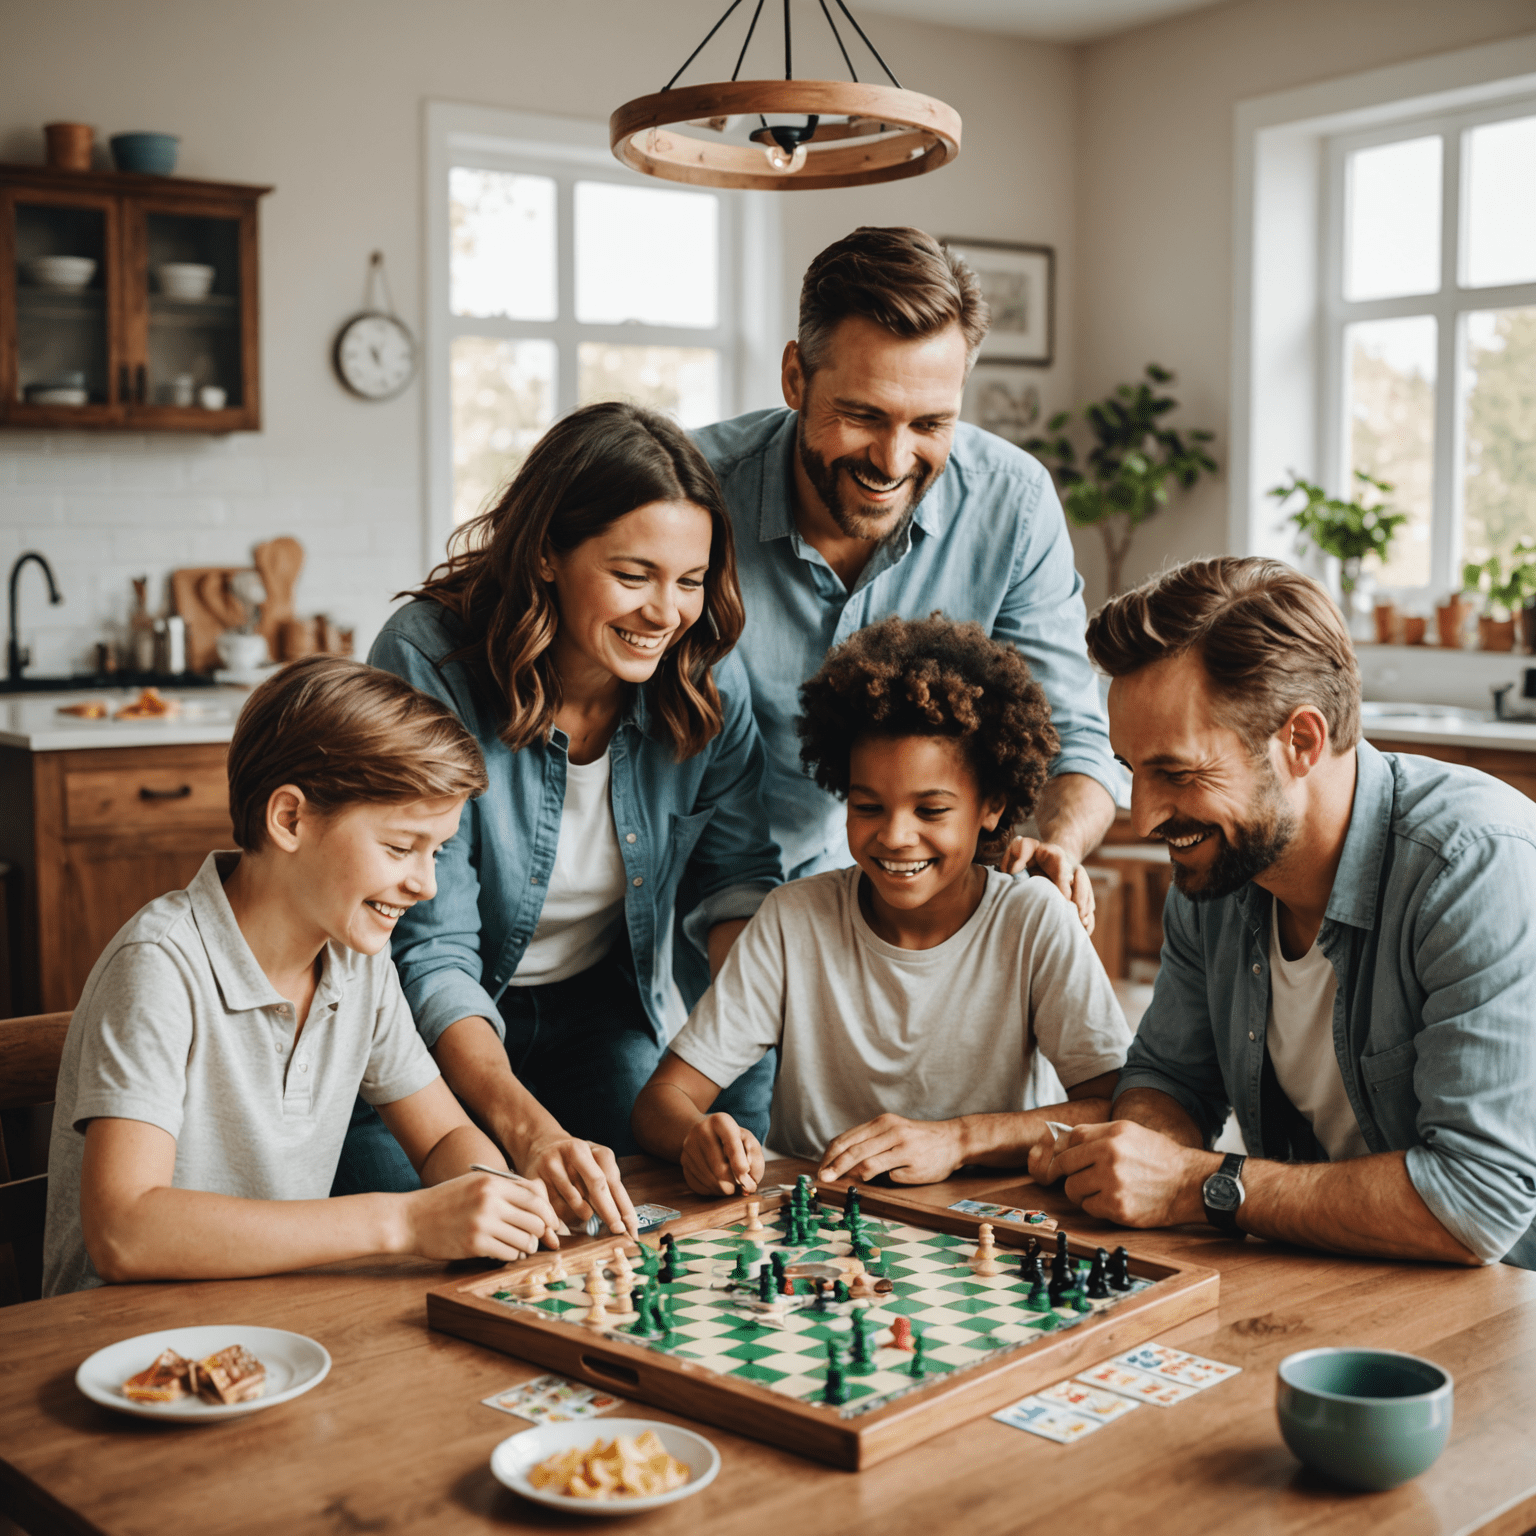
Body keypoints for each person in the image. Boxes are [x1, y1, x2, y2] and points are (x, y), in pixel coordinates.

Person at [337, 402, 783, 1237]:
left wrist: (716, 1097)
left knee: (651, 1228)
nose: (666, 613)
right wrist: (526, 1130)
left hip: (594, 1018)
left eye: (689, 581)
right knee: (452, 1249)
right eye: (632, 574)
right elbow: (431, 950)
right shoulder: (430, 658)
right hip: (416, 1040)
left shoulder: (708, 679)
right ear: (546, 550)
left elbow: (736, 888)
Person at [1031, 557, 1536, 1269]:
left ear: (1300, 741)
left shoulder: (1474, 866)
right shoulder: (1218, 871)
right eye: (1130, 770)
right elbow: (1169, 1080)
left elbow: (1477, 1202)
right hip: (1331, 1276)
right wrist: (1140, 1149)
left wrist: (1195, 1185)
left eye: (1176, 773)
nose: (1143, 817)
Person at [42, 656, 563, 1297]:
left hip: (269, 1323)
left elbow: (443, 1138)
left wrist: (497, 1199)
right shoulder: (160, 964)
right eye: (400, 848)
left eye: (438, 851)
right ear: (289, 818)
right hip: (123, 1350)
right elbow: (124, 1232)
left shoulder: (358, 962)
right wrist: (400, 1219)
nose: (425, 885)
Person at [694, 226, 1119, 931]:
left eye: (930, 423)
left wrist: (1060, 842)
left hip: (930, 927)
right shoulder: (691, 492)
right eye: (862, 415)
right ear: (795, 376)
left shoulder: (1012, 504)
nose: (892, 461)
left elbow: (1073, 732)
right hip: (711, 911)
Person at [631, 614, 1131, 1194]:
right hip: (819, 1243)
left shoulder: (1033, 920)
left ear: (992, 806)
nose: (894, 836)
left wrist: (959, 1139)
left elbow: (1112, 1109)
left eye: (931, 811)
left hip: (981, 1235)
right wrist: (697, 1134)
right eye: (868, 807)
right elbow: (661, 1099)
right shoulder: (794, 920)